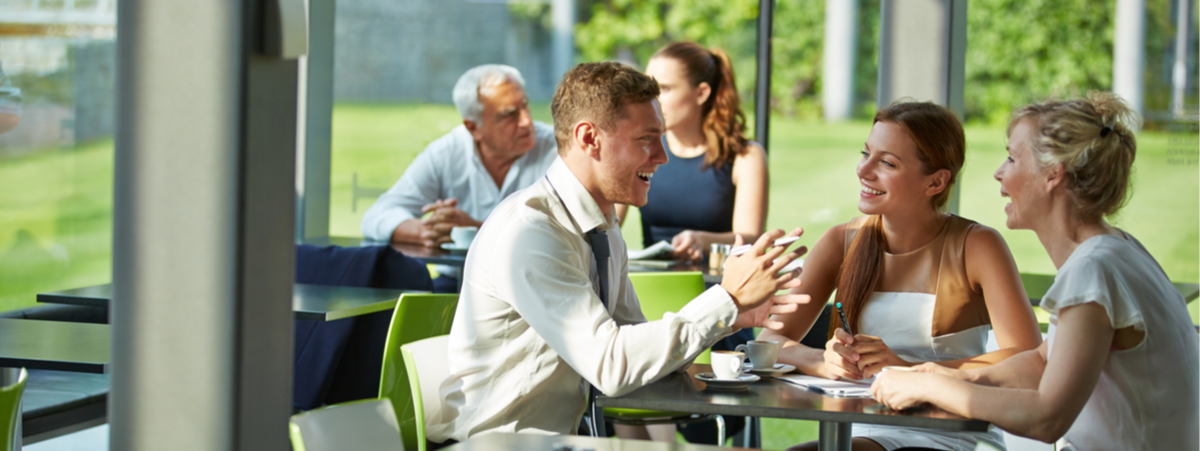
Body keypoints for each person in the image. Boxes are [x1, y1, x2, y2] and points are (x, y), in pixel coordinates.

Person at [425, 62, 809, 445]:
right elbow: (611, 366)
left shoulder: (601, 225)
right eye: (646, 138)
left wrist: (731, 316)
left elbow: (636, 351)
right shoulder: (532, 232)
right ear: (589, 138)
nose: (662, 156)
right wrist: (725, 299)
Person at [871, 93, 1199, 450]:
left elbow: (1047, 419)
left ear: (1052, 175)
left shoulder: (1093, 270)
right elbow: (1043, 362)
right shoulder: (1118, 249)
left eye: (1012, 158)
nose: (999, 172)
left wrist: (934, 389)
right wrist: (943, 373)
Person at [758, 101, 1043, 451]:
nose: (864, 170)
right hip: (859, 427)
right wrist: (821, 360)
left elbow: (1027, 357)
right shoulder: (841, 242)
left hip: (952, 435)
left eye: (887, 163)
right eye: (866, 153)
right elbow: (768, 341)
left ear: (936, 182)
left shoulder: (977, 246)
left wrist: (910, 369)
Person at [617, 42, 767, 262]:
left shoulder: (746, 156)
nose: (651, 100)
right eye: (648, 90)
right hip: (650, 284)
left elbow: (751, 238)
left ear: (701, 93)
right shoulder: (639, 149)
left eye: (665, 89)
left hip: (719, 286)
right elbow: (606, 224)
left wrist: (702, 240)